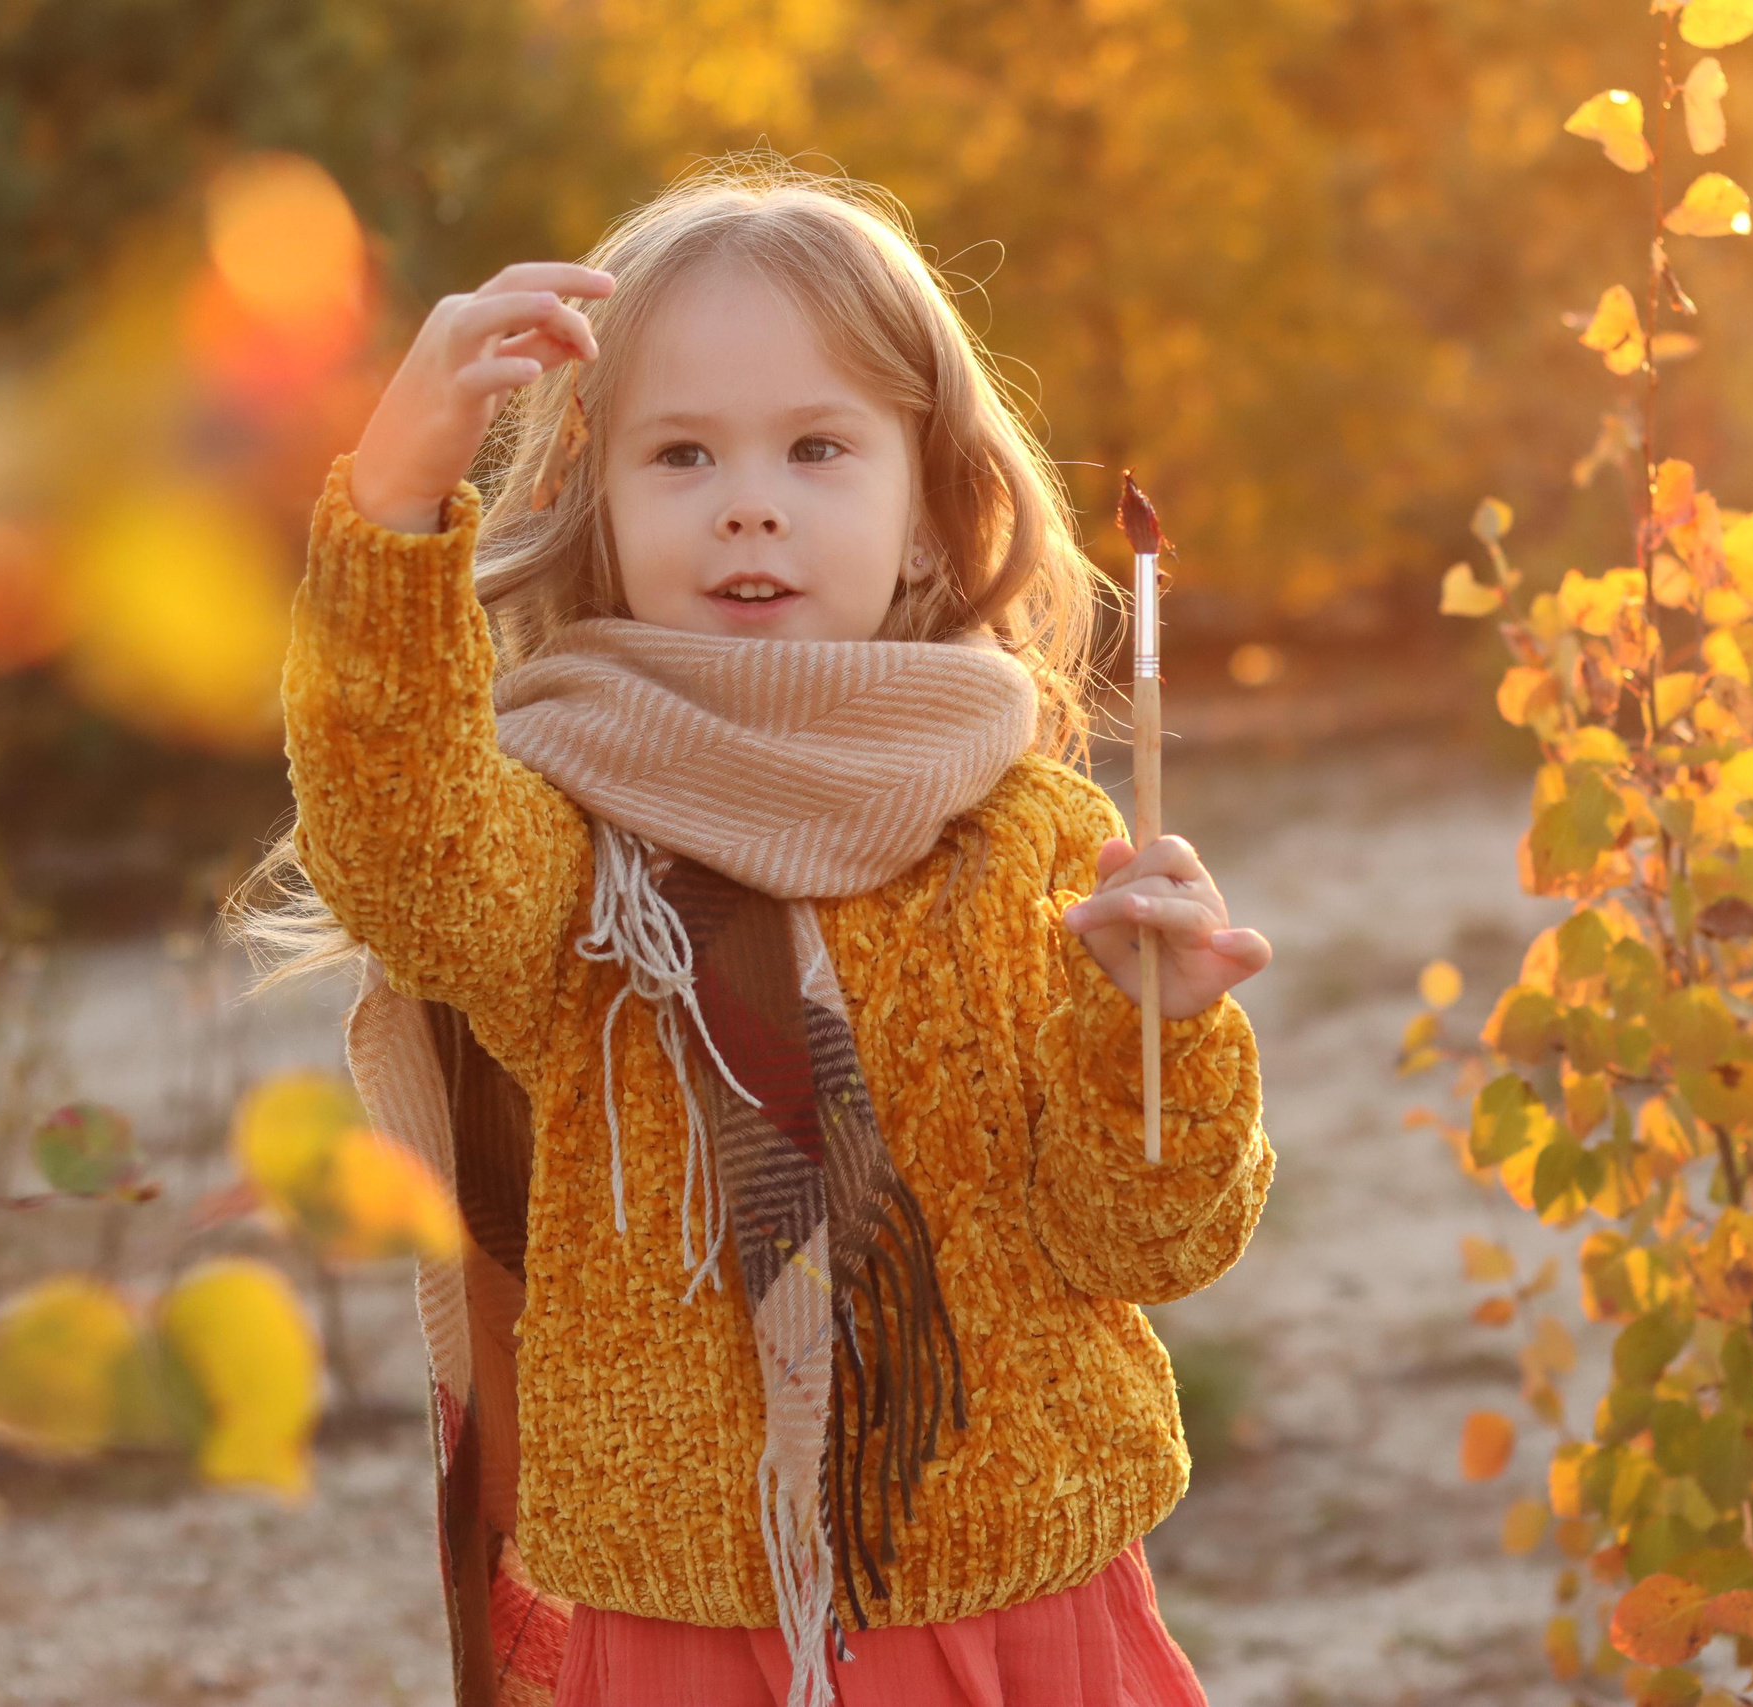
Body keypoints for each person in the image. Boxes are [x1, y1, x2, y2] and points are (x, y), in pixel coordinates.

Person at [227, 150, 1276, 1707]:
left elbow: (1150, 1240)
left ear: (930, 517)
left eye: (815, 447)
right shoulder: (571, 845)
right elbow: (405, 841)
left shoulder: (1037, 838)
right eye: (682, 458)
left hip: (1025, 1606)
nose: (751, 506)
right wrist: (392, 499)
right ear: (603, 507)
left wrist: (1168, 1036)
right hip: (685, 1628)